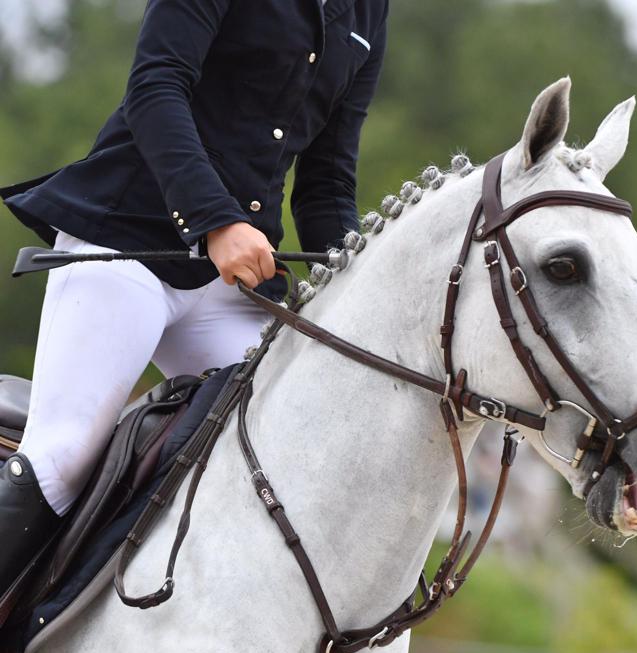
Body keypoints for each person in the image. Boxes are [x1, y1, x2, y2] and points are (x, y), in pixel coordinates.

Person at [0, 0, 388, 595]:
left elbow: (328, 178)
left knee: (290, 453)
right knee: (67, 454)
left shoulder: (370, 9)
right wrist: (214, 220)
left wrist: (363, 297)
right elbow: (155, 86)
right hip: (127, 240)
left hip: (234, 278)